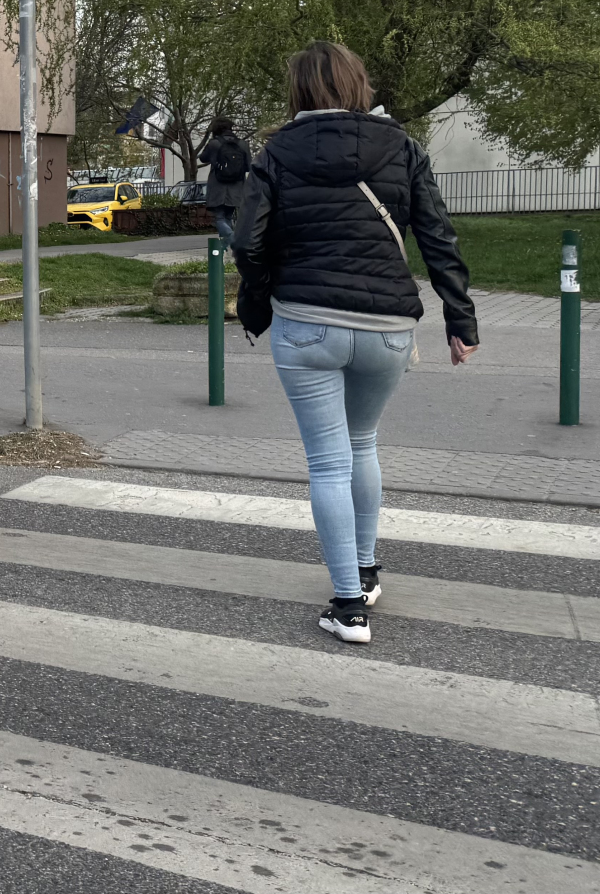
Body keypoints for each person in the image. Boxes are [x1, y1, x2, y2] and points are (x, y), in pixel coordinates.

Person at [232, 41, 478, 645]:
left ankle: (348, 608)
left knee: (327, 460)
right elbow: (438, 236)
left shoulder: (276, 153)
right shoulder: (403, 147)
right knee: (362, 441)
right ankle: (366, 574)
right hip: (388, 328)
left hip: (306, 323)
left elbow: (247, 241)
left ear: (299, 90)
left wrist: (258, 302)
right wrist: (460, 319)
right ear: (358, 84)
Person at [198, 118, 251, 241]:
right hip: (237, 186)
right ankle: (226, 245)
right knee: (228, 216)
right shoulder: (243, 144)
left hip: (218, 186)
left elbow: (203, 158)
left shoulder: (214, 144)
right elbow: (249, 166)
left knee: (219, 217)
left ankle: (232, 239)